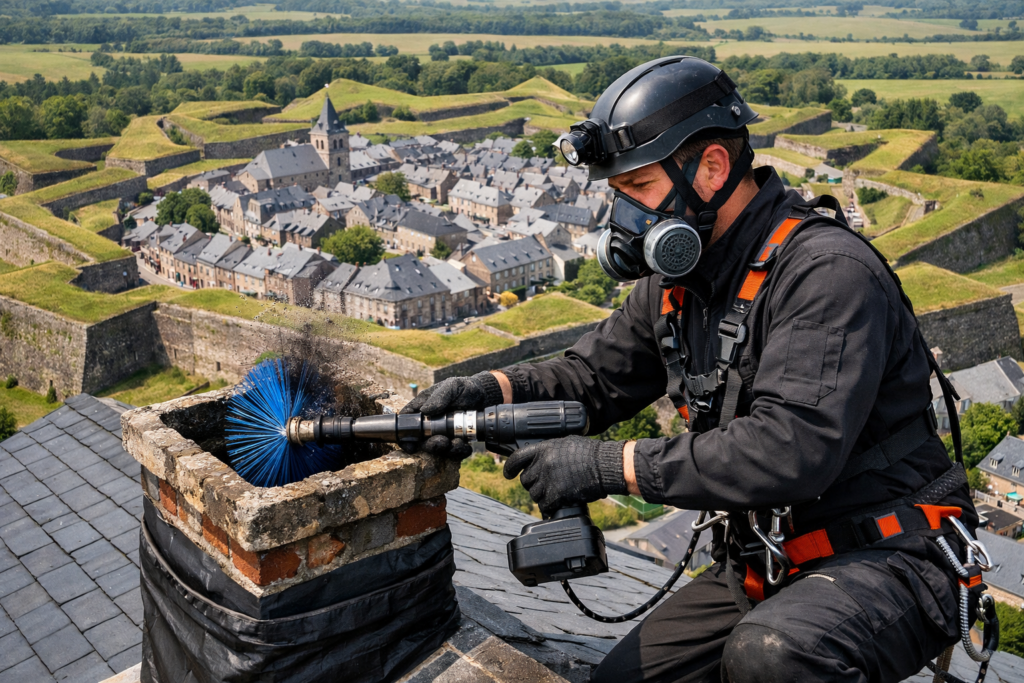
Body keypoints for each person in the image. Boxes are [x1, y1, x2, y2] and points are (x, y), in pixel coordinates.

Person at [402, 56, 979, 682]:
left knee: (774, 656)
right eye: (617, 195)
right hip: (770, 560)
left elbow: (790, 451)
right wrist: (488, 391)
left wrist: (608, 467)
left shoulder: (825, 274)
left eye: (639, 190)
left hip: (890, 555)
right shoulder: (679, 282)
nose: (625, 219)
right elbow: (593, 377)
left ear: (710, 168)